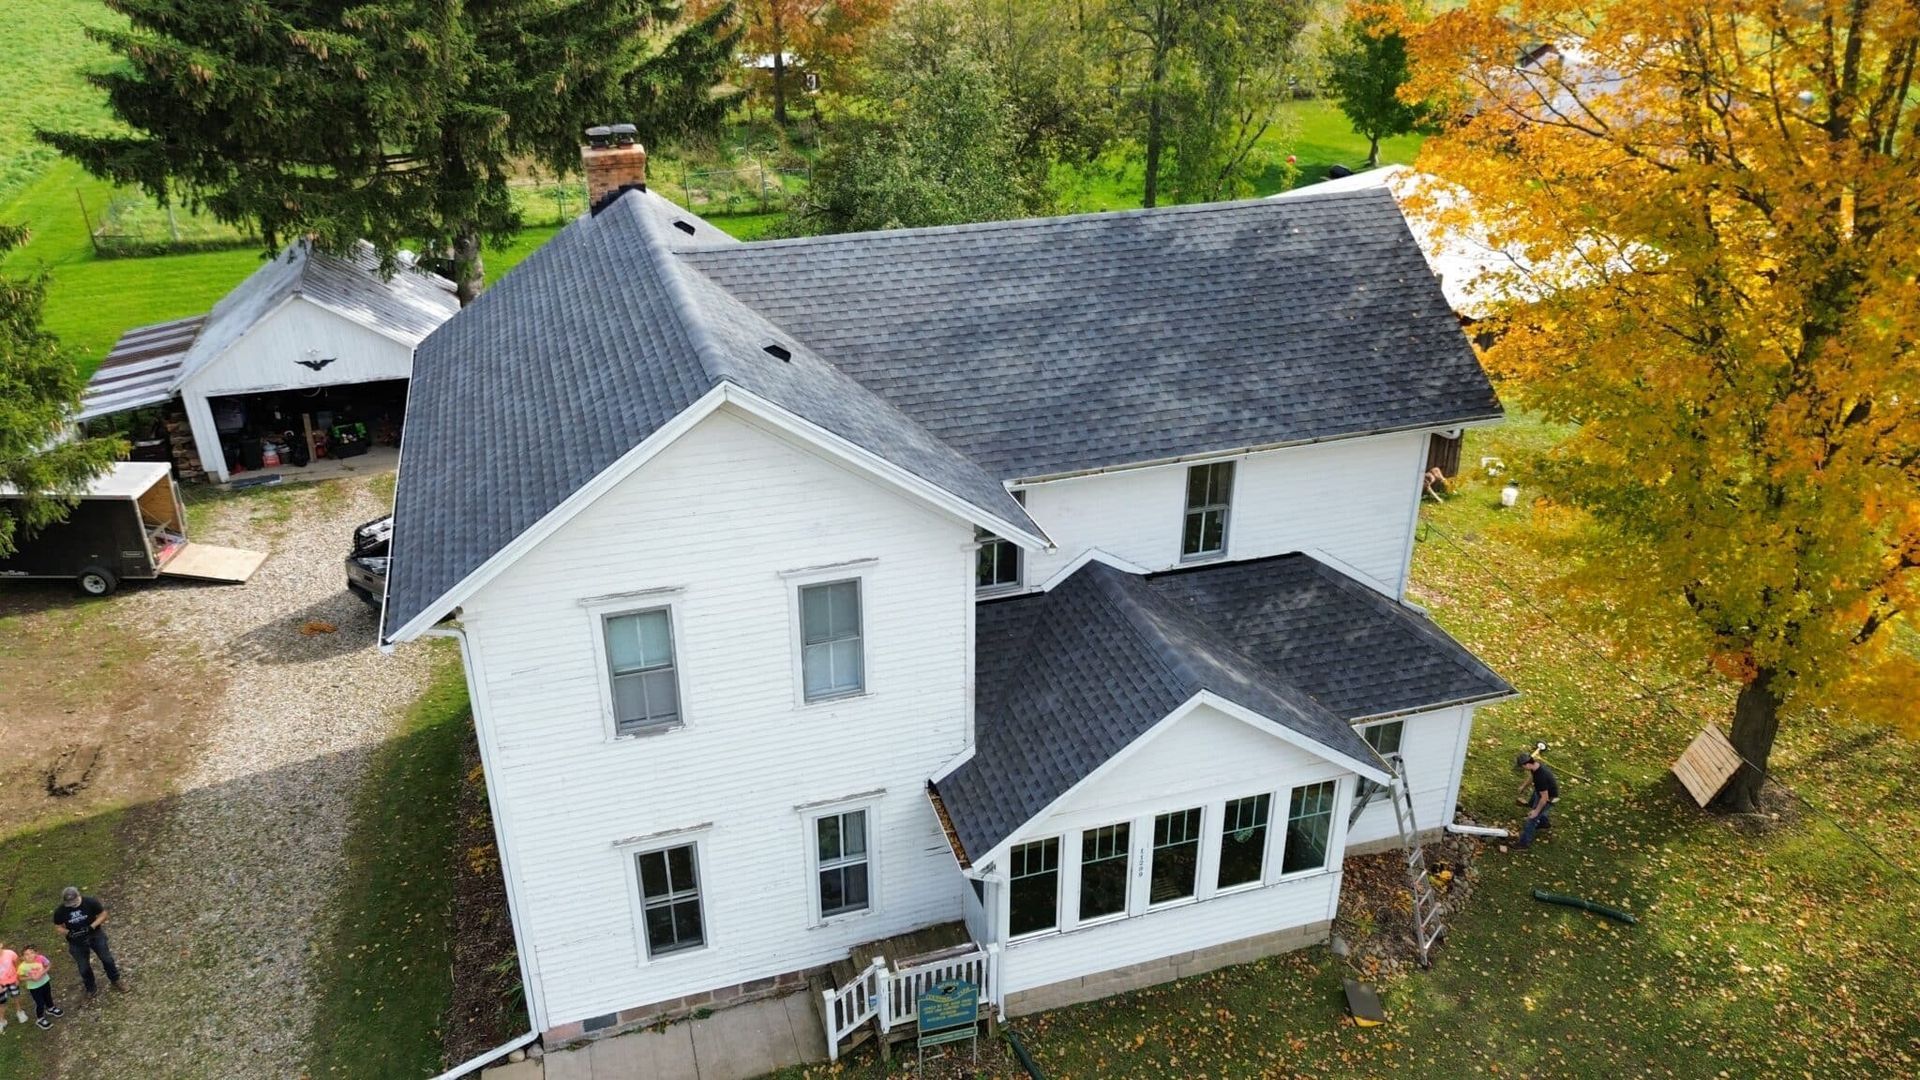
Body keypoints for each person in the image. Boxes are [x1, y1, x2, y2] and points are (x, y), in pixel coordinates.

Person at [53, 886, 122, 994]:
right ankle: (90, 987)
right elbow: (58, 926)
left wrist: (92, 926)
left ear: (79, 896)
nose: (72, 905)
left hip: (95, 934)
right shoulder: (60, 911)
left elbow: (103, 914)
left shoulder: (90, 902)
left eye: (74, 902)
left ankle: (115, 979)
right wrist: (69, 933)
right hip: (76, 941)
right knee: (83, 967)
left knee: (107, 959)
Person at [1514, 751, 1560, 849]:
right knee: (1533, 803)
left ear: (1527, 764)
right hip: (1541, 792)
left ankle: (1523, 844)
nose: (1523, 769)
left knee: (1532, 819)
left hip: (1548, 798)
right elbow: (1532, 776)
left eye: (1522, 766)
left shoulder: (1540, 777)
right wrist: (1523, 786)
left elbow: (1544, 798)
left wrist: (1536, 811)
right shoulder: (1536, 766)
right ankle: (1544, 823)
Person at [16, 946, 59, 1030]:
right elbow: (20, 978)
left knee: (48, 996)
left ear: (36, 953)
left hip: (45, 982)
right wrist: (30, 978)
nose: (30, 955)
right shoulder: (22, 967)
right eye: (26, 954)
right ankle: (40, 1018)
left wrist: (43, 972)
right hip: (34, 987)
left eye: (32, 953)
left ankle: (51, 1008)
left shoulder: (41, 958)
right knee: (40, 1003)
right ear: (22, 957)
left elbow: (48, 965)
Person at [0, 938, 24, 1030]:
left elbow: (17, 964)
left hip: (13, 980)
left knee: (16, 996)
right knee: (1, 1002)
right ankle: (2, 1020)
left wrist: (17, 977)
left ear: (1, 944)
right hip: (1, 984)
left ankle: (19, 1011)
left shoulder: (10, 953)